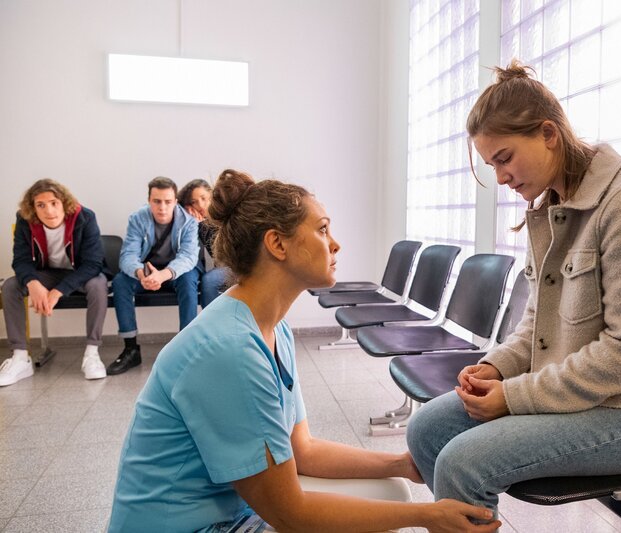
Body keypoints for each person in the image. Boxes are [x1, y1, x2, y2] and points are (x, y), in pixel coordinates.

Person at [108, 169, 500, 533]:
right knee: (392, 511)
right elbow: (288, 513)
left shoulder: (271, 327)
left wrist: (401, 464)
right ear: (277, 243)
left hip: (228, 511)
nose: (336, 244)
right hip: (191, 527)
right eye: (323, 230)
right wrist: (426, 517)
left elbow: (303, 451)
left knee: (394, 488)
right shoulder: (229, 350)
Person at [406, 60, 621, 518]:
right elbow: (534, 324)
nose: (500, 177)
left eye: (504, 158)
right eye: (491, 164)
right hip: (589, 396)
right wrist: (498, 369)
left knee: (463, 463)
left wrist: (516, 396)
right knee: (426, 428)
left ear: (548, 133)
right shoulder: (551, 210)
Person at [0, 179, 108, 385]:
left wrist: (57, 292)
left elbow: (93, 264)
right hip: (46, 274)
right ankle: (20, 357)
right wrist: (33, 284)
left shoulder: (85, 217)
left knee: (98, 284)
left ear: (63, 203)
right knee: (11, 285)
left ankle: (92, 354)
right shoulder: (25, 220)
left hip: (80, 274)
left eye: (54, 203)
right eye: (41, 205)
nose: (49, 210)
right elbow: (21, 260)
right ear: (33, 208)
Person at [107, 176, 199, 376]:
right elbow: (128, 255)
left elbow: (188, 257)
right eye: (157, 201)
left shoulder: (189, 222)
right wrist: (142, 274)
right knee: (120, 282)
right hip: (146, 272)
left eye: (168, 202)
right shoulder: (137, 219)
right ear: (149, 201)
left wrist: (163, 275)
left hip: (174, 273)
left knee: (189, 279)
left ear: (175, 201)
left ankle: (187, 349)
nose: (162, 207)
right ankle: (131, 349)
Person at [177, 178, 229, 308]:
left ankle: (210, 325)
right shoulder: (198, 223)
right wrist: (193, 224)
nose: (200, 205)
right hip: (222, 268)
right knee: (209, 279)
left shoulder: (224, 213)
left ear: (212, 196)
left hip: (239, 264)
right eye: (194, 202)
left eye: (203, 198)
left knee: (209, 280)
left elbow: (225, 252)